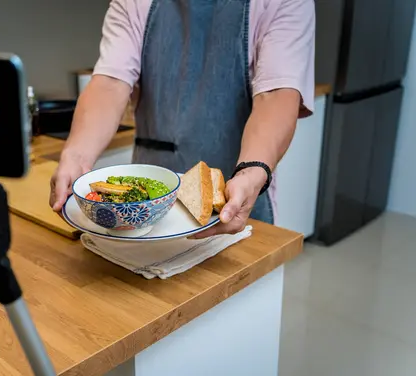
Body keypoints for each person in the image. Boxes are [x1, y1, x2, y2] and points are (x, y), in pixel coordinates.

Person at [50, 0, 315, 238]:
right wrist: (75, 157)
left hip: (238, 202)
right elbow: (110, 82)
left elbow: (276, 94)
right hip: (146, 213)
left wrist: (252, 171)